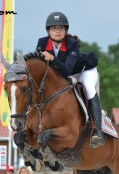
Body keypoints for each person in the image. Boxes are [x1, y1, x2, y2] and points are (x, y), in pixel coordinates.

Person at [36, 11, 104, 149]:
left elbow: (67, 71)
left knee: (88, 89)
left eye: (61, 28)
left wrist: (53, 58)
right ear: (48, 31)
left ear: (65, 30)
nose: (57, 31)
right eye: (54, 28)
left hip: (83, 71)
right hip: (61, 73)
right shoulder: (42, 42)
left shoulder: (72, 44)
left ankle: (97, 130)